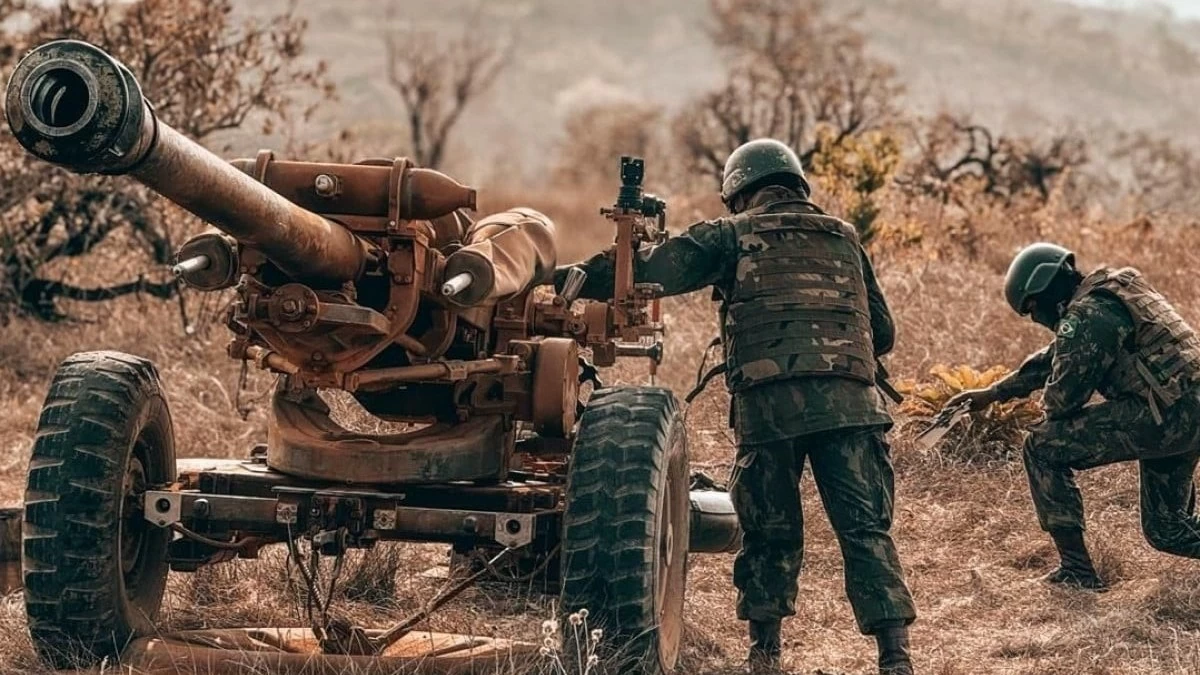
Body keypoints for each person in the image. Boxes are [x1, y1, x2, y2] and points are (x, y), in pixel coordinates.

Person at [555, 139, 917, 674]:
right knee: (865, 530)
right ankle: (895, 658)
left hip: (771, 413)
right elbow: (882, 332)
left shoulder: (732, 236)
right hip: (852, 408)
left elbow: (648, 270)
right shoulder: (844, 237)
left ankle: (765, 652)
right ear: (797, 184)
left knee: (769, 530)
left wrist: (562, 277)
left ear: (737, 193)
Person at [945, 243, 1200, 589]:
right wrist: (993, 393)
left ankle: (1077, 571)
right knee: (1166, 530)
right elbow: (1058, 354)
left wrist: (1046, 404)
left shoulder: (1087, 316)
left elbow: (1063, 402)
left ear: (1045, 289)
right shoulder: (1114, 287)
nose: (1035, 318)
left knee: (1042, 446)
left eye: (1032, 308)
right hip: (1181, 410)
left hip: (1167, 417)